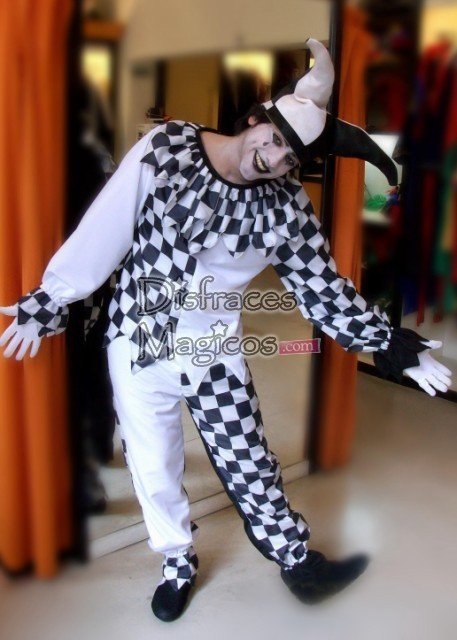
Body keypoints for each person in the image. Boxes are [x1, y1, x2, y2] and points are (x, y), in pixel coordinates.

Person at [0, 39, 452, 621]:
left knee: (248, 457)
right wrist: (51, 297)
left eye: (292, 158)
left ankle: (298, 561)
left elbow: (321, 288)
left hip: (210, 344)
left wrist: (388, 343)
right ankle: (176, 562)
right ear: (257, 118)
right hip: (139, 335)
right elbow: (105, 229)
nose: (277, 159)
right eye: (277, 140)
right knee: (153, 463)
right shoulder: (168, 148)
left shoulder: (286, 208)